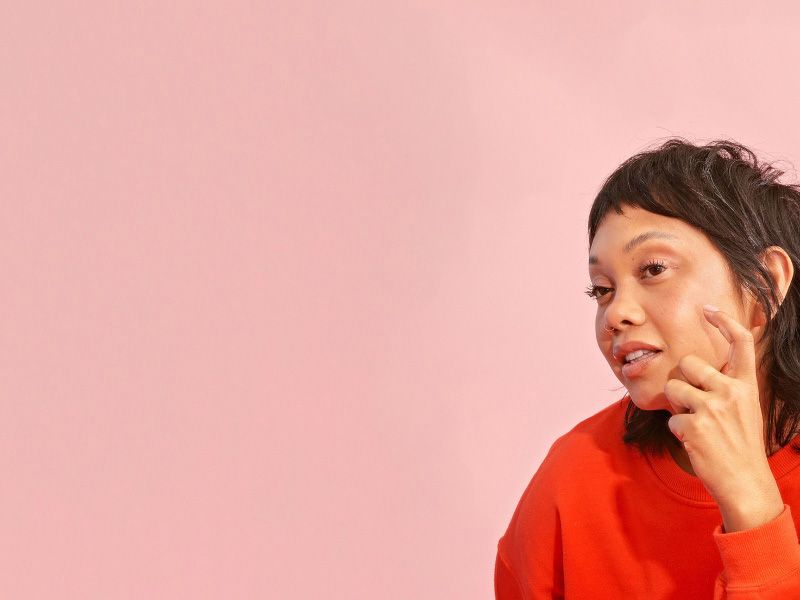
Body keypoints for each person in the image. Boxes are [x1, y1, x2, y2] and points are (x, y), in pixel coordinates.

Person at [494, 138, 800, 599]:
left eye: (654, 269)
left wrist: (751, 502)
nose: (616, 313)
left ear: (766, 286)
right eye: (601, 289)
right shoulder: (574, 477)